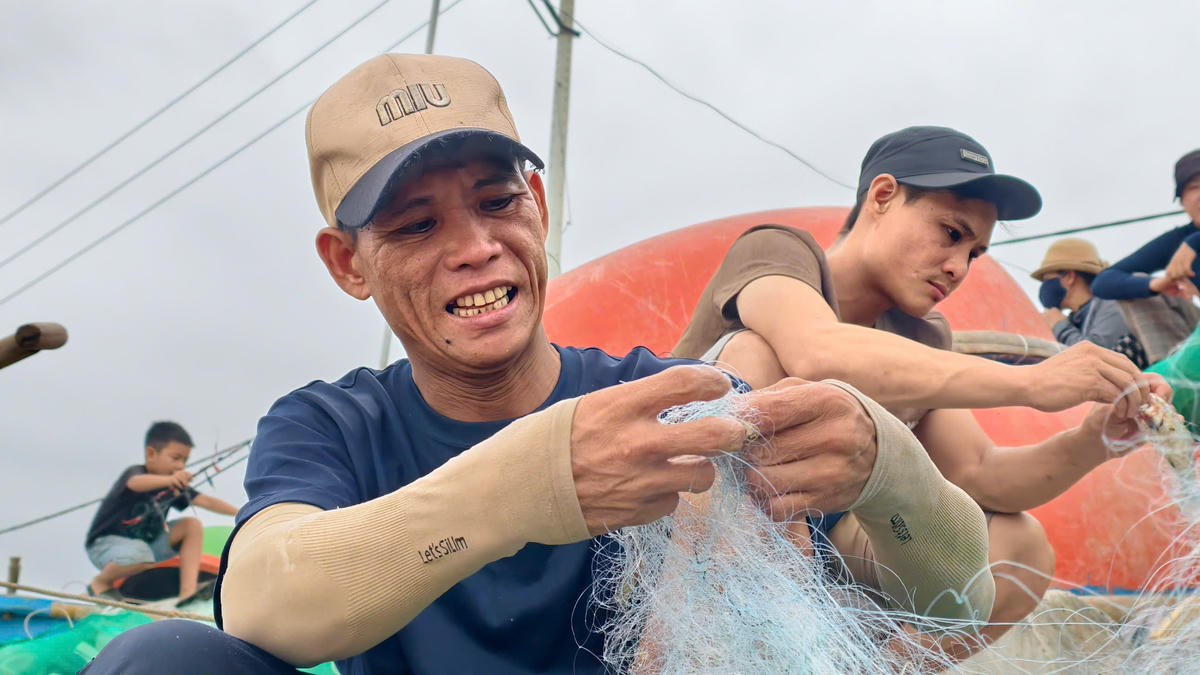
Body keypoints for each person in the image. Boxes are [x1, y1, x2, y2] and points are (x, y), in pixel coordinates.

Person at [82, 56, 994, 674]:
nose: (476, 247)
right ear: (347, 263)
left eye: (495, 201)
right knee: (160, 659)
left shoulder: (663, 402)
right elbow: (260, 603)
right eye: (415, 224)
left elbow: (958, 600)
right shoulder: (332, 423)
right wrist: (538, 478)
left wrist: (893, 469)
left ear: (539, 206)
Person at [672, 125, 1169, 660]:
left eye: (975, 253)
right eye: (951, 233)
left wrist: (1095, 439)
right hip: (683, 520)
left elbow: (980, 472)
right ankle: (690, 647)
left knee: (1020, 547)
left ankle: (872, 668)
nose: (958, 268)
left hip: (823, 538)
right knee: (756, 355)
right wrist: (1029, 383)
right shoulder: (778, 252)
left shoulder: (924, 337)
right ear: (882, 196)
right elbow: (818, 349)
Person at [84, 421, 239, 603]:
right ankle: (100, 583)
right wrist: (170, 480)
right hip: (105, 546)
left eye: (185, 461)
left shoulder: (173, 485)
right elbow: (135, 483)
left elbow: (205, 501)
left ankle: (187, 593)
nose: (181, 466)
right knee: (139, 554)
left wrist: (242, 512)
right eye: (175, 458)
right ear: (151, 454)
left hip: (144, 549)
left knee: (191, 525)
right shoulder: (137, 474)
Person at [1092, 149, 1200, 302]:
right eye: (1194, 187)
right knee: (1135, 285)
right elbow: (1103, 282)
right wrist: (1156, 285)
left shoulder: (1189, 243)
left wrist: (1194, 242)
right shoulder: (1178, 239)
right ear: (1182, 200)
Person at [1032, 238, 1146, 367]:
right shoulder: (1077, 319)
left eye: (1047, 280)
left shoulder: (1112, 302)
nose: (1045, 287)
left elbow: (1096, 357)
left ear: (1069, 277)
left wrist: (1060, 326)